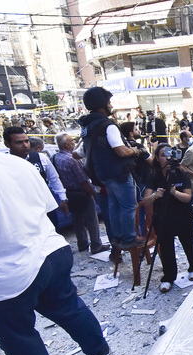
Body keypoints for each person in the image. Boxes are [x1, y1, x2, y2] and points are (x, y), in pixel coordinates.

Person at [0, 124, 113, 355]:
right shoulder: (14, 163)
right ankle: (100, 350)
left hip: (5, 274)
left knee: (17, 335)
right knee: (69, 308)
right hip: (50, 252)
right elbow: (46, 207)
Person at [78, 86, 148, 249]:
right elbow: (121, 151)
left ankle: (116, 237)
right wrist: (136, 150)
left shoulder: (87, 127)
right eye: (108, 102)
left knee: (114, 205)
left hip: (102, 174)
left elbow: (79, 152)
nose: (111, 106)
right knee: (129, 206)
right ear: (101, 104)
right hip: (119, 173)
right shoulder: (108, 125)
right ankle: (129, 238)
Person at [144, 144, 193, 293]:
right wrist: (155, 195)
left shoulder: (181, 174)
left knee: (188, 243)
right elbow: (146, 201)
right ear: (157, 157)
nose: (167, 158)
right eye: (163, 155)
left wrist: (175, 193)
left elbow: (188, 197)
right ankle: (168, 277)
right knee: (167, 248)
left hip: (183, 216)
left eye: (170, 154)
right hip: (163, 217)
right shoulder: (153, 175)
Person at [53, 133, 110, 254]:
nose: (74, 142)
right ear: (67, 145)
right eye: (72, 141)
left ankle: (82, 243)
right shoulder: (73, 160)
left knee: (77, 219)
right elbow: (83, 181)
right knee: (91, 220)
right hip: (81, 192)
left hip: (69, 193)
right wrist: (94, 194)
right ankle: (96, 244)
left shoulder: (55, 157)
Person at [3, 127, 69, 229]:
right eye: (19, 142)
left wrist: (63, 199)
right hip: (22, 211)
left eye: (26, 141)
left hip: (45, 207)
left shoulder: (40, 158)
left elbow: (54, 178)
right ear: (7, 144)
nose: (25, 145)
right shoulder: (3, 163)